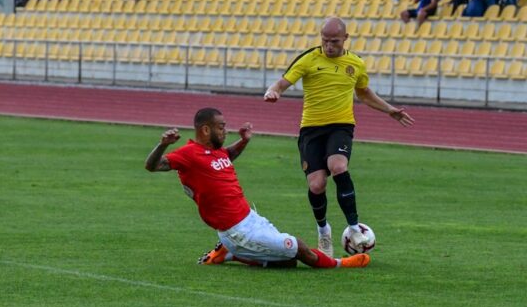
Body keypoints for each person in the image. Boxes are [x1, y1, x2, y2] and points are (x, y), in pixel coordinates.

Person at [144, 107, 371, 268]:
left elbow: (227, 156)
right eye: (221, 127)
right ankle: (340, 264)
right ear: (205, 130)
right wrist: (162, 145)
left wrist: (243, 141)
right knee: (299, 248)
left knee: (288, 262)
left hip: (251, 218)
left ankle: (229, 254)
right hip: (237, 232)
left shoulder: (215, 151)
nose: (225, 131)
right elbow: (153, 166)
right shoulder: (188, 154)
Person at [263, 17, 414, 257]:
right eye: (325, 40)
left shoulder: (356, 63)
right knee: (317, 185)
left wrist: (389, 110)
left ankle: (354, 229)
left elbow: (364, 93)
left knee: (339, 167)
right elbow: (282, 83)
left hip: (341, 126)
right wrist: (273, 91)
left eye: (334, 41)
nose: (329, 45)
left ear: (345, 38)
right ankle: (323, 231)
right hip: (311, 129)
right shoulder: (309, 59)